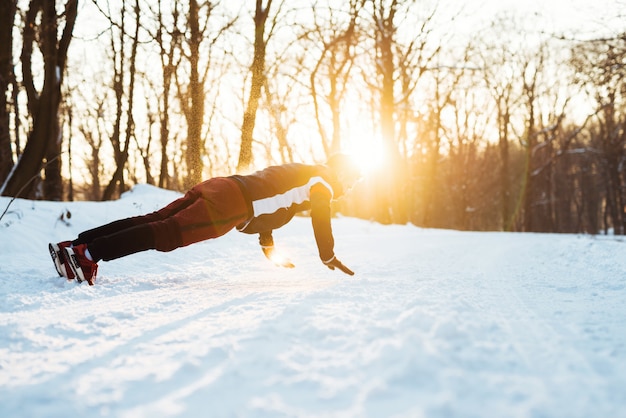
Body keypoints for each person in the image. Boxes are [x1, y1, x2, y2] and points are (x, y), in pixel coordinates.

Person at [49, 154, 361, 285]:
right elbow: (321, 215)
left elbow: (271, 202)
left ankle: (76, 246)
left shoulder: (304, 173)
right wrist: (328, 255)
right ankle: (87, 256)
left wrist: (268, 247)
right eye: (351, 181)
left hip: (222, 185)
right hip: (231, 203)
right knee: (166, 233)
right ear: (341, 173)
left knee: (155, 219)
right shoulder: (323, 184)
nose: (348, 189)